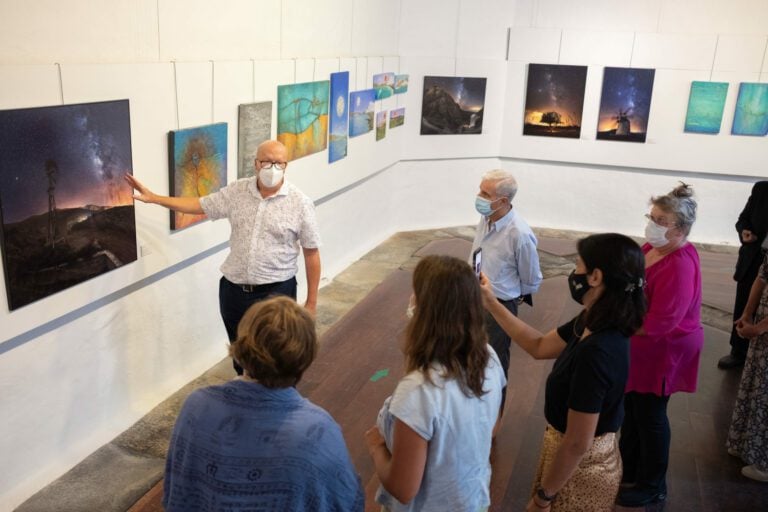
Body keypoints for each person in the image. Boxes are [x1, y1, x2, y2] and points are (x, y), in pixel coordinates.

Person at [480, 233, 646, 511]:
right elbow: (539, 345)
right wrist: (492, 302)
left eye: (578, 266)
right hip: (567, 459)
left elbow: (577, 443)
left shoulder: (598, 351)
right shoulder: (593, 318)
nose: (574, 273)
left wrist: (544, 498)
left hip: (580, 471)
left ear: (595, 277)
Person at [126, 140, 321, 374]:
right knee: (241, 354)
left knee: (275, 358)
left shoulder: (300, 203)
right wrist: (156, 198)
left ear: (286, 166)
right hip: (234, 292)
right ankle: (243, 391)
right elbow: (200, 205)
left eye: (279, 163)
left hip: (276, 292)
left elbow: (311, 253)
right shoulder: (237, 192)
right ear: (256, 163)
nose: (273, 168)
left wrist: (311, 303)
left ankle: (273, 402)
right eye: (267, 161)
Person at [162, 296, 364, 511]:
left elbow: (177, 488)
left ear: (242, 345)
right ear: (306, 355)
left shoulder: (197, 405)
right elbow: (347, 501)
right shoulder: (318, 430)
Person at [365, 255, 506, 512]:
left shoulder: (418, 391)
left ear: (426, 310)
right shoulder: (490, 358)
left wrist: (376, 448)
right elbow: (492, 427)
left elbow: (404, 489)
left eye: (415, 293)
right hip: (472, 501)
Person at [617, 183, 703, 507]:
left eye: (660, 220)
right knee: (634, 410)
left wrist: (618, 324)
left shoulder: (679, 262)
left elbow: (663, 320)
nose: (652, 224)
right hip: (643, 344)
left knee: (651, 415)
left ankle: (653, 484)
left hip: (665, 347)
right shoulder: (653, 247)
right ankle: (629, 469)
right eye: (651, 216)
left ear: (679, 228)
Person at [471, 169, 542, 410]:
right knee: (472, 356)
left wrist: (512, 296)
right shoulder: (486, 217)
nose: (478, 196)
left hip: (500, 305)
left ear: (502, 201)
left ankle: (494, 419)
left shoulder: (520, 234)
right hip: (475, 298)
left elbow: (532, 278)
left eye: (484, 192)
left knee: (495, 364)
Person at [726, 251, 768, 481]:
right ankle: (745, 444)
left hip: (764, 327)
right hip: (762, 323)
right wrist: (747, 313)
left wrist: (760, 327)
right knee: (755, 386)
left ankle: (764, 462)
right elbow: (762, 277)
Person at [718, 181, 768, 369]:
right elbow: (743, 219)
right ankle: (738, 351)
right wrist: (744, 232)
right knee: (744, 304)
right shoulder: (762, 189)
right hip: (755, 258)